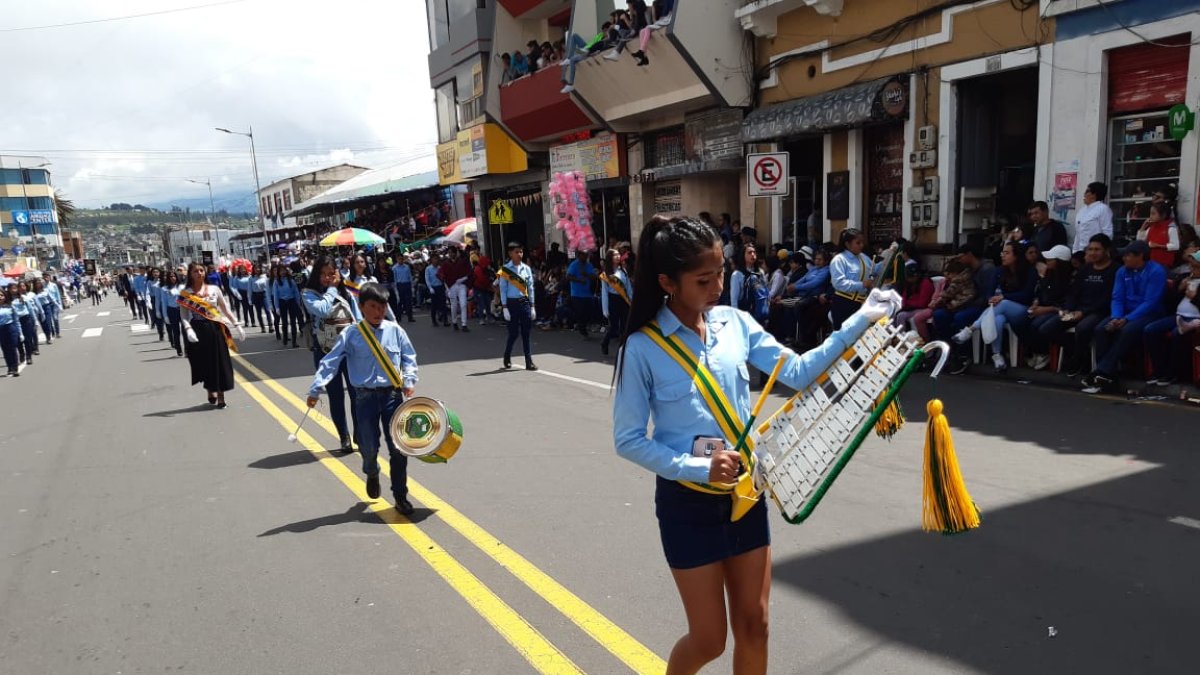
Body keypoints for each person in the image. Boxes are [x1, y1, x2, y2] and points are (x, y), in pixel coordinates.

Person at [612, 215, 893, 675]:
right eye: (703, 280)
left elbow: (797, 372)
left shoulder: (736, 324)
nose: (717, 287)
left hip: (746, 495)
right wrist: (699, 468)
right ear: (667, 283)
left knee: (756, 625)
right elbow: (627, 441)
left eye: (720, 273)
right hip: (688, 504)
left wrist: (861, 321)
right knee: (708, 640)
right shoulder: (642, 348)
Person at [307, 283, 418, 515]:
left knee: (398, 448)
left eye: (382, 306)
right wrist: (316, 389)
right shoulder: (351, 333)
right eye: (373, 306)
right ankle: (372, 471)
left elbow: (409, 357)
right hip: (364, 398)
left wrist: (409, 380)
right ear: (362, 306)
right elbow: (330, 362)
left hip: (392, 396)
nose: (378, 311)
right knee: (368, 446)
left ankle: (400, 495)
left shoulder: (395, 330)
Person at [1083, 240, 1167, 394]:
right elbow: (1117, 298)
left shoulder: (1156, 271)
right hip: (1125, 312)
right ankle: (1109, 376)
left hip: (1149, 313)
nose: (1124, 259)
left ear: (1140, 256)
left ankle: (1101, 372)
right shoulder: (1122, 271)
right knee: (1101, 329)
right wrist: (1116, 317)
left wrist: (1127, 319)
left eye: (1128, 256)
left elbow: (1150, 302)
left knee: (1127, 330)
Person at [302, 256, 361, 450]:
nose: (327, 278)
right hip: (325, 351)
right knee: (336, 396)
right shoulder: (309, 294)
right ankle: (344, 436)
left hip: (350, 351)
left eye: (331, 274)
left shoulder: (347, 292)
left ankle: (359, 433)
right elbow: (322, 310)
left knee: (357, 394)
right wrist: (332, 289)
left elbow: (358, 319)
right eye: (323, 274)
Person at [953, 241, 1037, 373]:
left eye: (1007, 253)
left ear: (1016, 256)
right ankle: (997, 356)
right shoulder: (999, 271)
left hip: (1022, 308)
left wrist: (1003, 297)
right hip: (999, 308)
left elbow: (1027, 295)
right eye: (1002, 253)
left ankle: (971, 329)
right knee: (997, 319)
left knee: (1003, 304)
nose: (1003, 256)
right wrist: (991, 299)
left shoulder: (1029, 271)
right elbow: (989, 292)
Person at [178, 262, 244, 409]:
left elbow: (225, 309)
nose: (199, 273)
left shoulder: (214, 289)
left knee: (219, 362)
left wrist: (236, 324)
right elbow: (183, 315)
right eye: (195, 271)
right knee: (205, 362)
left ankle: (221, 395)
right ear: (190, 274)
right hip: (198, 329)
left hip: (215, 328)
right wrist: (188, 329)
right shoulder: (186, 293)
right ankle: (210, 388)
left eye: (201, 270)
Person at [1143, 249, 1200, 386]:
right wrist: (1179, 288)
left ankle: (1172, 374)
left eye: (1195, 266)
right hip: (1177, 316)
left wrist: (1194, 297)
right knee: (1150, 330)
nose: (1192, 269)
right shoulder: (1185, 277)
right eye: (1191, 265)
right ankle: (1158, 370)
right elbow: (1169, 301)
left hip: (1195, 319)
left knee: (1177, 334)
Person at [1019, 245, 1075, 370]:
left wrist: (1047, 309)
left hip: (1064, 313)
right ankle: (1035, 352)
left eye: (1051, 259)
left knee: (1044, 327)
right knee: (1026, 322)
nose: (1047, 260)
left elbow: (1067, 306)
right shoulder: (1049, 274)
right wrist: (1036, 303)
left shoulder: (1070, 280)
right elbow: (1041, 292)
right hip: (1047, 309)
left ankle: (1047, 353)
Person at [498, 242, 538, 370]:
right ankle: (507, 355)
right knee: (513, 333)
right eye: (516, 252)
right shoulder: (505, 270)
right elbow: (503, 290)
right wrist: (504, 307)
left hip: (524, 302)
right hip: (511, 304)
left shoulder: (526, 269)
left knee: (526, 333)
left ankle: (528, 361)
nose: (520, 254)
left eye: (521, 251)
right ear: (510, 253)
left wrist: (532, 306)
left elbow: (530, 288)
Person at [828, 228, 874, 329]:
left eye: (862, 242)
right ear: (847, 244)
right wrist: (862, 284)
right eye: (858, 243)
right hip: (844, 303)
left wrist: (889, 256)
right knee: (844, 335)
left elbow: (874, 270)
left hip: (861, 303)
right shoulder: (839, 259)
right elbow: (839, 283)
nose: (861, 245)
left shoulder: (864, 257)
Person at [600, 248, 633, 356]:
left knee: (624, 326)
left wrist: (631, 300)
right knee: (614, 327)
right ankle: (605, 342)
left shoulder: (623, 271)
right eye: (615, 255)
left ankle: (622, 350)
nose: (618, 256)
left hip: (623, 300)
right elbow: (604, 293)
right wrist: (605, 309)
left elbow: (628, 288)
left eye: (619, 254)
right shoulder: (606, 274)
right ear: (610, 258)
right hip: (613, 300)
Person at [1135, 202, 1180, 269]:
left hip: (1164, 264)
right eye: (1150, 213)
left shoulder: (1171, 228)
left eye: (1153, 214)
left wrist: (1158, 245)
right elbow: (1139, 241)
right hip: (1150, 262)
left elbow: (1176, 246)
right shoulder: (1151, 227)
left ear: (1163, 215)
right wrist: (1143, 227)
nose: (1150, 216)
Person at [1073, 181, 1114, 252]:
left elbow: (1107, 233)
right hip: (1081, 251)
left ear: (1094, 195)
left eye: (1087, 191)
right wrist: (1075, 251)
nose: (1084, 194)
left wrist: (1103, 251)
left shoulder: (1103, 209)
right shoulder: (1081, 211)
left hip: (1095, 251)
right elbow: (1078, 234)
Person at [566, 248, 597, 337]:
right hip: (577, 294)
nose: (586, 257)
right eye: (584, 255)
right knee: (580, 312)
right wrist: (578, 280)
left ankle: (583, 325)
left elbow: (594, 277)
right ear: (579, 255)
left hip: (587, 293)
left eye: (586, 255)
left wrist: (586, 274)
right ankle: (582, 328)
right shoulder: (574, 265)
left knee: (588, 311)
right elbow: (568, 276)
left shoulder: (589, 265)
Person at [440, 247, 472, 332]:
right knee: (454, 305)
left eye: (451, 252)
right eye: (449, 253)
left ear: (455, 253)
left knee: (463, 304)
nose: (450, 254)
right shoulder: (446, 263)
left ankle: (464, 324)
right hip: (451, 286)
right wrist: (447, 288)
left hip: (461, 285)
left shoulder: (462, 261)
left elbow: (470, 272)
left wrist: (464, 279)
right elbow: (441, 275)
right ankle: (454, 322)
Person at [272, 264, 303, 348]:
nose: (283, 272)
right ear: (278, 272)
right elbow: (275, 295)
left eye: (284, 270)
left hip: (291, 301)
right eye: (281, 271)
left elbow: (296, 293)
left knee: (293, 322)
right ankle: (285, 338)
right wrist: (277, 307)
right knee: (284, 322)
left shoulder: (291, 280)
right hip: (282, 302)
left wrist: (298, 304)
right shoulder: (276, 282)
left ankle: (294, 341)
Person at [162, 268, 185, 357]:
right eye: (170, 276)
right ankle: (179, 349)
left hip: (182, 309)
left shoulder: (182, 287)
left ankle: (187, 349)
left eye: (174, 276)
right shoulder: (164, 289)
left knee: (185, 330)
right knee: (176, 331)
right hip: (172, 310)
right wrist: (165, 316)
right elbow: (164, 303)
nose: (172, 278)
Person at [0, 290, 21, 377]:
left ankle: (15, 368)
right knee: (5, 349)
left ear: (5, 296)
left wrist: (20, 333)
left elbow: (16, 320)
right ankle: (10, 367)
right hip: (1, 330)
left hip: (11, 328)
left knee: (12, 348)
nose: (0, 297)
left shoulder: (10, 306)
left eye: (1, 295)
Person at [425, 252, 448, 326]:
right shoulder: (428, 269)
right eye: (434, 259)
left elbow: (443, 278)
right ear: (431, 260)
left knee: (443, 304)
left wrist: (446, 288)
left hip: (440, 287)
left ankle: (445, 320)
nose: (436, 260)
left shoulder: (440, 268)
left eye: (437, 259)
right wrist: (430, 288)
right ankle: (434, 320)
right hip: (433, 288)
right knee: (434, 305)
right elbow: (427, 279)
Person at [391, 254, 416, 322]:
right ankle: (398, 317)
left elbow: (410, 276)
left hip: (407, 284)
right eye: (399, 259)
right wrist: (395, 288)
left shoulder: (407, 267)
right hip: (399, 285)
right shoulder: (394, 268)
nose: (401, 260)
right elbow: (394, 279)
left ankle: (410, 317)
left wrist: (412, 286)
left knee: (409, 301)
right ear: (397, 259)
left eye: (402, 259)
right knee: (400, 302)